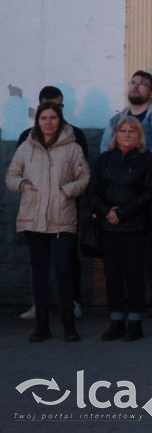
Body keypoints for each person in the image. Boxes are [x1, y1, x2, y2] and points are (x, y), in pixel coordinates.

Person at [7, 101, 90, 342]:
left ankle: (68, 325)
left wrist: (67, 190)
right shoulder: (27, 147)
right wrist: (22, 184)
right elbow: (11, 175)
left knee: (64, 269)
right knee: (40, 273)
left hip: (62, 217)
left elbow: (84, 176)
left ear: (60, 119)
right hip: (33, 218)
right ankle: (42, 326)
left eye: (53, 118)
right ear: (38, 121)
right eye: (44, 118)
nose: (48, 122)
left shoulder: (72, 147)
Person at [99, 70, 152, 319]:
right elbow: (104, 154)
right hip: (118, 201)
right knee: (119, 255)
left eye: (143, 84)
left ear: (151, 92)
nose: (137, 86)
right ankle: (122, 305)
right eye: (133, 82)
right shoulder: (116, 120)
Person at [86, 116, 152, 342]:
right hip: (108, 226)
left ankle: (135, 321)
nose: (127, 134)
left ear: (139, 136)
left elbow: (149, 192)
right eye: (122, 131)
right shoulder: (105, 159)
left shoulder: (148, 160)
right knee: (113, 275)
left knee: (134, 274)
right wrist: (108, 211)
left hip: (134, 226)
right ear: (116, 135)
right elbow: (92, 191)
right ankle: (116, 320)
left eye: (132, 131)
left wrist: (122, 213)